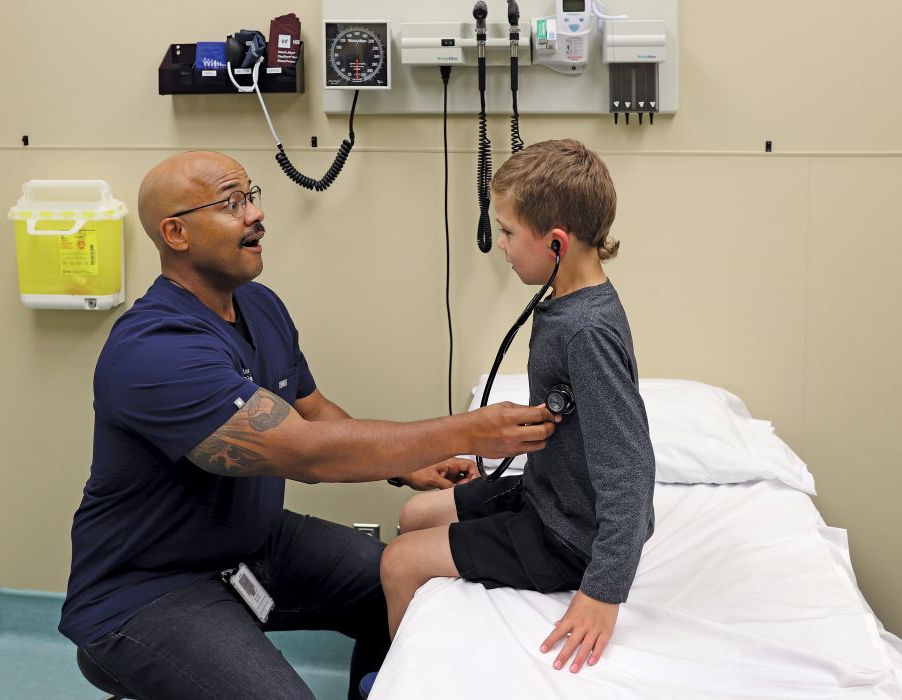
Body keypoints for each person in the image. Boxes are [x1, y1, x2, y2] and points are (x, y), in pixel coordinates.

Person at [58, 150, 556, 700]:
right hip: (149, 588)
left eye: (251, 196)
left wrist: (413, 464)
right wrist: (465, 430)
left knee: (409, 582)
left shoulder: (259, 306)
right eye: (231, 203)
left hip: (255, 544)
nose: (254, 215)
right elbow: (306, 452)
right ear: (175, 233)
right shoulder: (154, 350)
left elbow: (314, 412)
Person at [380, 139, 656, 676]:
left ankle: (395, 678)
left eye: (506, 232)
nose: (499, 245)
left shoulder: (587, 330)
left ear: (556, 244)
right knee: (413, 514)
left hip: (569, 537)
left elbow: (631, 469)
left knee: (398, 562)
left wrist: (603, 591)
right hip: (545, 494)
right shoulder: (567, 300)